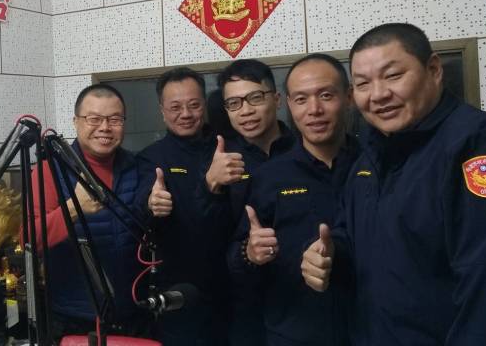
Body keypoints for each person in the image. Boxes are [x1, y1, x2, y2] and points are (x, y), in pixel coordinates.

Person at [301, 23, 486, 345]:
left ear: (434, 70)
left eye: (393, 75)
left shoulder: (477, 144)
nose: (379, 94)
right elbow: (353, 236)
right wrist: (328, 256)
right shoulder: (369, 155)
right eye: (363, 83)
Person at [228, 54, 358, 346]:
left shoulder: (373, 165)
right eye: (301, 99)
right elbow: (235, 257)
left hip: (369, 330)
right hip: (293, 333)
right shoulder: (270, 176)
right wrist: (249, 253)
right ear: (288, 104)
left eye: (326, 95)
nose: (314, 110)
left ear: (349, 97)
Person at [30, 84, 147, 341]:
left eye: (114, 119)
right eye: (94, 119)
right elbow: (29, 240)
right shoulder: (49, 170)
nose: (105, 127)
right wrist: (74, 208)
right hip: (73, 317)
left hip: (133, 312)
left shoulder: (137, 166)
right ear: (76, 122)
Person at [138, 67, 241, 346]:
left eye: (194, 105)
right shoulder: (151, 158)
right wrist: (152, 204)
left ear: (204, 105)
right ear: (162, 111)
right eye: (175, 107)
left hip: (233, 287)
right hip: (180, 292)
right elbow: (143, 209)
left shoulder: (228, 149)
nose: (185, 114)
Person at [214, 59, 296, 345]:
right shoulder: (220, 161)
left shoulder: (305, 148)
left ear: (277, 99)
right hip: (243, 305)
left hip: (304, 296)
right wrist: (209, 186)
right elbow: (207, 236)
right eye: (234, 103)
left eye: (255, 98)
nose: (245, 110)